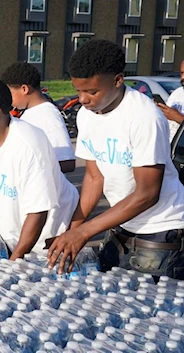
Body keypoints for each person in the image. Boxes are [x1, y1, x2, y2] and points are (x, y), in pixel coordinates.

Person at [47, 40, 184, 279]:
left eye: (92, 91)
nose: (82, 99)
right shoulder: (87, 116)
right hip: (122, 225)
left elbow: (147, 194)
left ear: (118, 80)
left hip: (161, 231)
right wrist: (72, 229)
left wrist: (84, 232)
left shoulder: (143, 117)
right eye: (78, 90)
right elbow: (94, 177)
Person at [0, 78, 79, 259]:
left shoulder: (28, 143)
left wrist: (15, 260)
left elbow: (38, 211)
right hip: (16, 234)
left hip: (51, 237)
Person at [1, 62, 76, 173]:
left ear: (24, 89)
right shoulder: (30, 112)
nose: (9, 100)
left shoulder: (47, 115)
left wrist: (26, 168)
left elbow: (66, 162)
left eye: (10, 94)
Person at [157, 59, 184, 142]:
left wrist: (179, 118)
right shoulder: (177, 93)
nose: (182, 77)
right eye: (182, 73)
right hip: (169, 147)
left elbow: (176, 116)